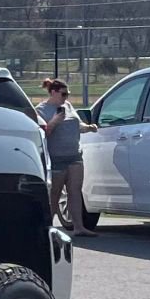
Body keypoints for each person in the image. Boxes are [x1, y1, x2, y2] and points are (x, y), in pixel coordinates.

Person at [36, 78, 88, 234]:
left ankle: (79, 227)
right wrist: (54, 121)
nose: (66, 98)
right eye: (63, 94)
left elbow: (78, 125)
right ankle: (47, 228)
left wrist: (89, 128)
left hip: (74, 155)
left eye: (68, 94)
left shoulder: (68, 106)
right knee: (54, 195)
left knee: (75, 192)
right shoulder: (41, 109)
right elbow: (43, 132)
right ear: (53, 92)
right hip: (56, 158)